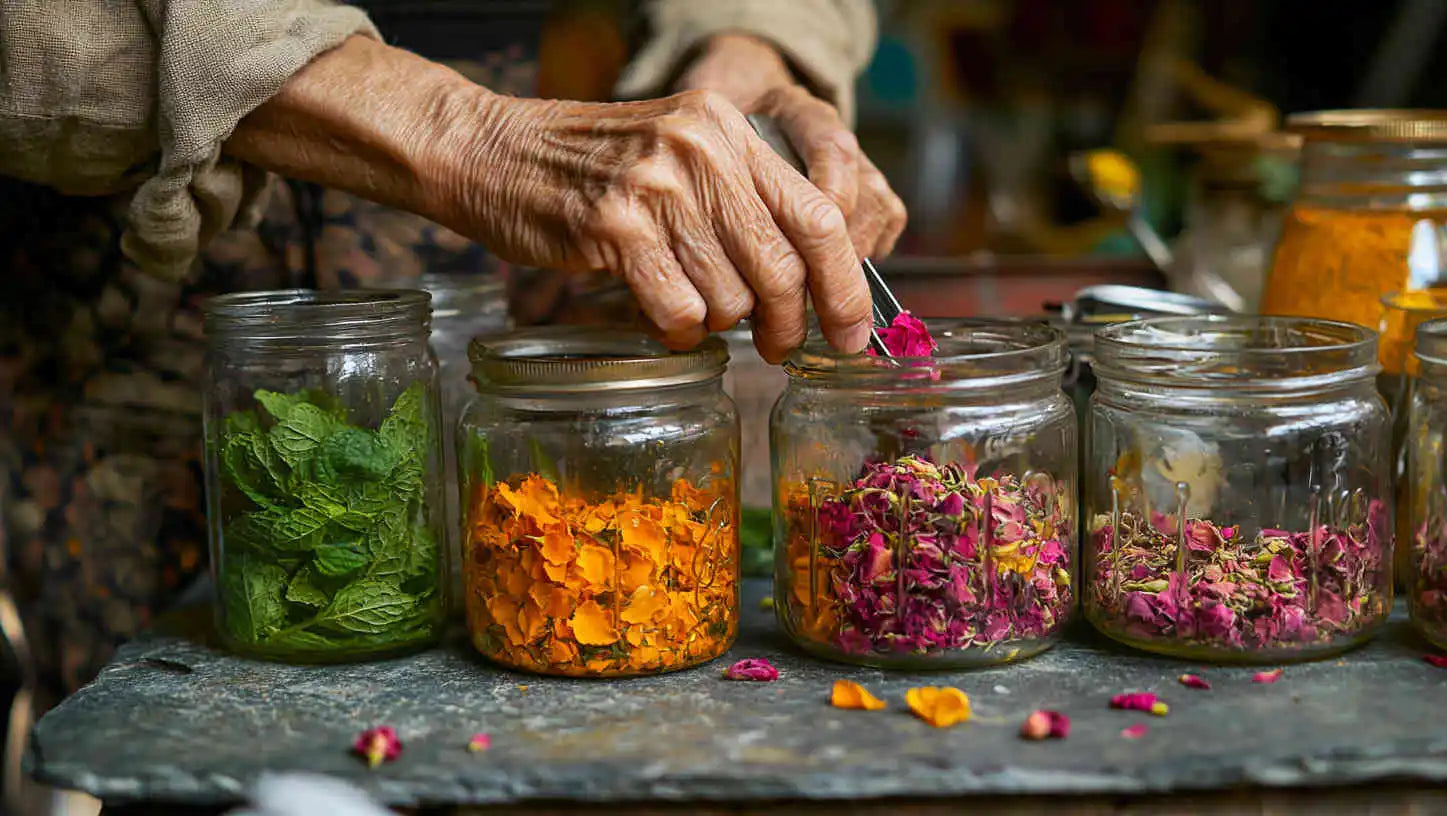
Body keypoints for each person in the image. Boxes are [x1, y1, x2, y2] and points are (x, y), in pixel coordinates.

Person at [0, 0, 903, 724]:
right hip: (146, 283)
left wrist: (747, 45)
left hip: (523, 246)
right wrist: (466, 135)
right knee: (171, 738)